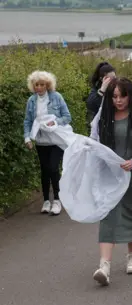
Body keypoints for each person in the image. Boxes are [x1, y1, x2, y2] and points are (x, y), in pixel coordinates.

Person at [90, 77, 132, 286]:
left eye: (122, 96)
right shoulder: (102, 117)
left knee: (131, 213)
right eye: (114, 97)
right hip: (110, 176)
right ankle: (104, 266)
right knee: (108, 215)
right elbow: (94, 142)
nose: (118, 101)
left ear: (131, 96)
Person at [24, 70, 72, 215]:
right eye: (36, 85)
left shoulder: (57, 97)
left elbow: (67, 117)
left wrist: (54, 122)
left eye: (42, 84)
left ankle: (57, 200)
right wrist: (27, 138)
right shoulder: (31, 101)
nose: (39, 87)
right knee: (44, 170)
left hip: (56, 139)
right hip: (41, 140)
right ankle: (46, 200)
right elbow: (27, 121)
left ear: (47, 85)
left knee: (53, 168)